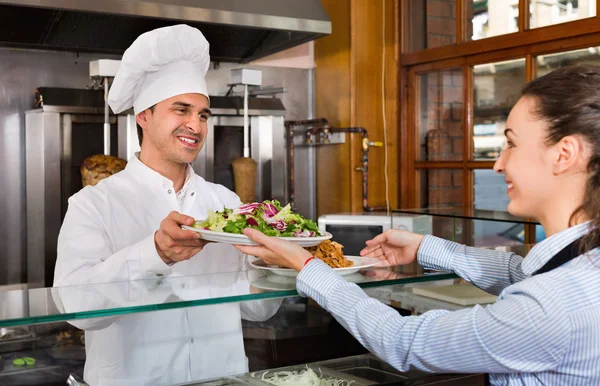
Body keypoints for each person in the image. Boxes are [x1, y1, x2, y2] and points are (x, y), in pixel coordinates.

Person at [235, 65, 600, 385]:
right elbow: (517, 271)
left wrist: (307, 265)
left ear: (564, 154)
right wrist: (424, 247)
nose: (498, 165)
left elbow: (402, 342)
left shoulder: (550, 309)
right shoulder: (583, 265)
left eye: (511, 145)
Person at [54, 24, 280, 385]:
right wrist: (154, 254)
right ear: (143, 115)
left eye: (203, 114)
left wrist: (273, 260)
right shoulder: (93, 204)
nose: (196, 125)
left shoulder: (225, 202)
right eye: (182, 110)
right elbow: (77, 310)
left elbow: (258, 309)